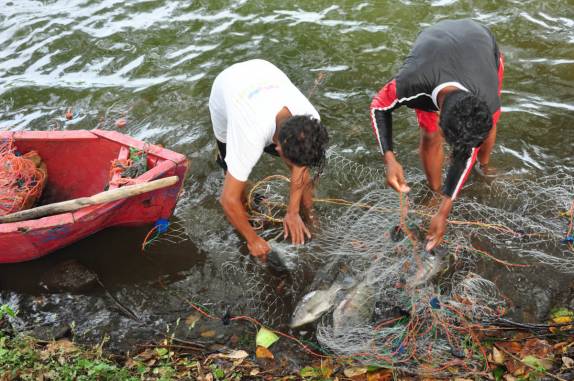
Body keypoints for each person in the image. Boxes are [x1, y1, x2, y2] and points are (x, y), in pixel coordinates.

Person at [369, 19, 504, 251]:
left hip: (481, 45)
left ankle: (486, 166)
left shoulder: (486, 95)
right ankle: (434, 189)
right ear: (441, 118)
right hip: (433, 51)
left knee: (487, 127)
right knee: (430, 136)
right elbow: (378, 107)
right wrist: (389, 158)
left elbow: (467, 150)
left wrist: (444, 211)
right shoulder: (411, 83)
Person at [209, 59, 329, 259]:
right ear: (278, 149)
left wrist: (294, 211)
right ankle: (247, 209)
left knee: (300, 167)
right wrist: (253, 240)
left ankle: (308, 211)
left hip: (263, 71)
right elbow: (227, 199)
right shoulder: (249, 135)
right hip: (227, 86)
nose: (298, 167)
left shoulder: (310, 120)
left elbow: (301, 168)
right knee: (236, 191)